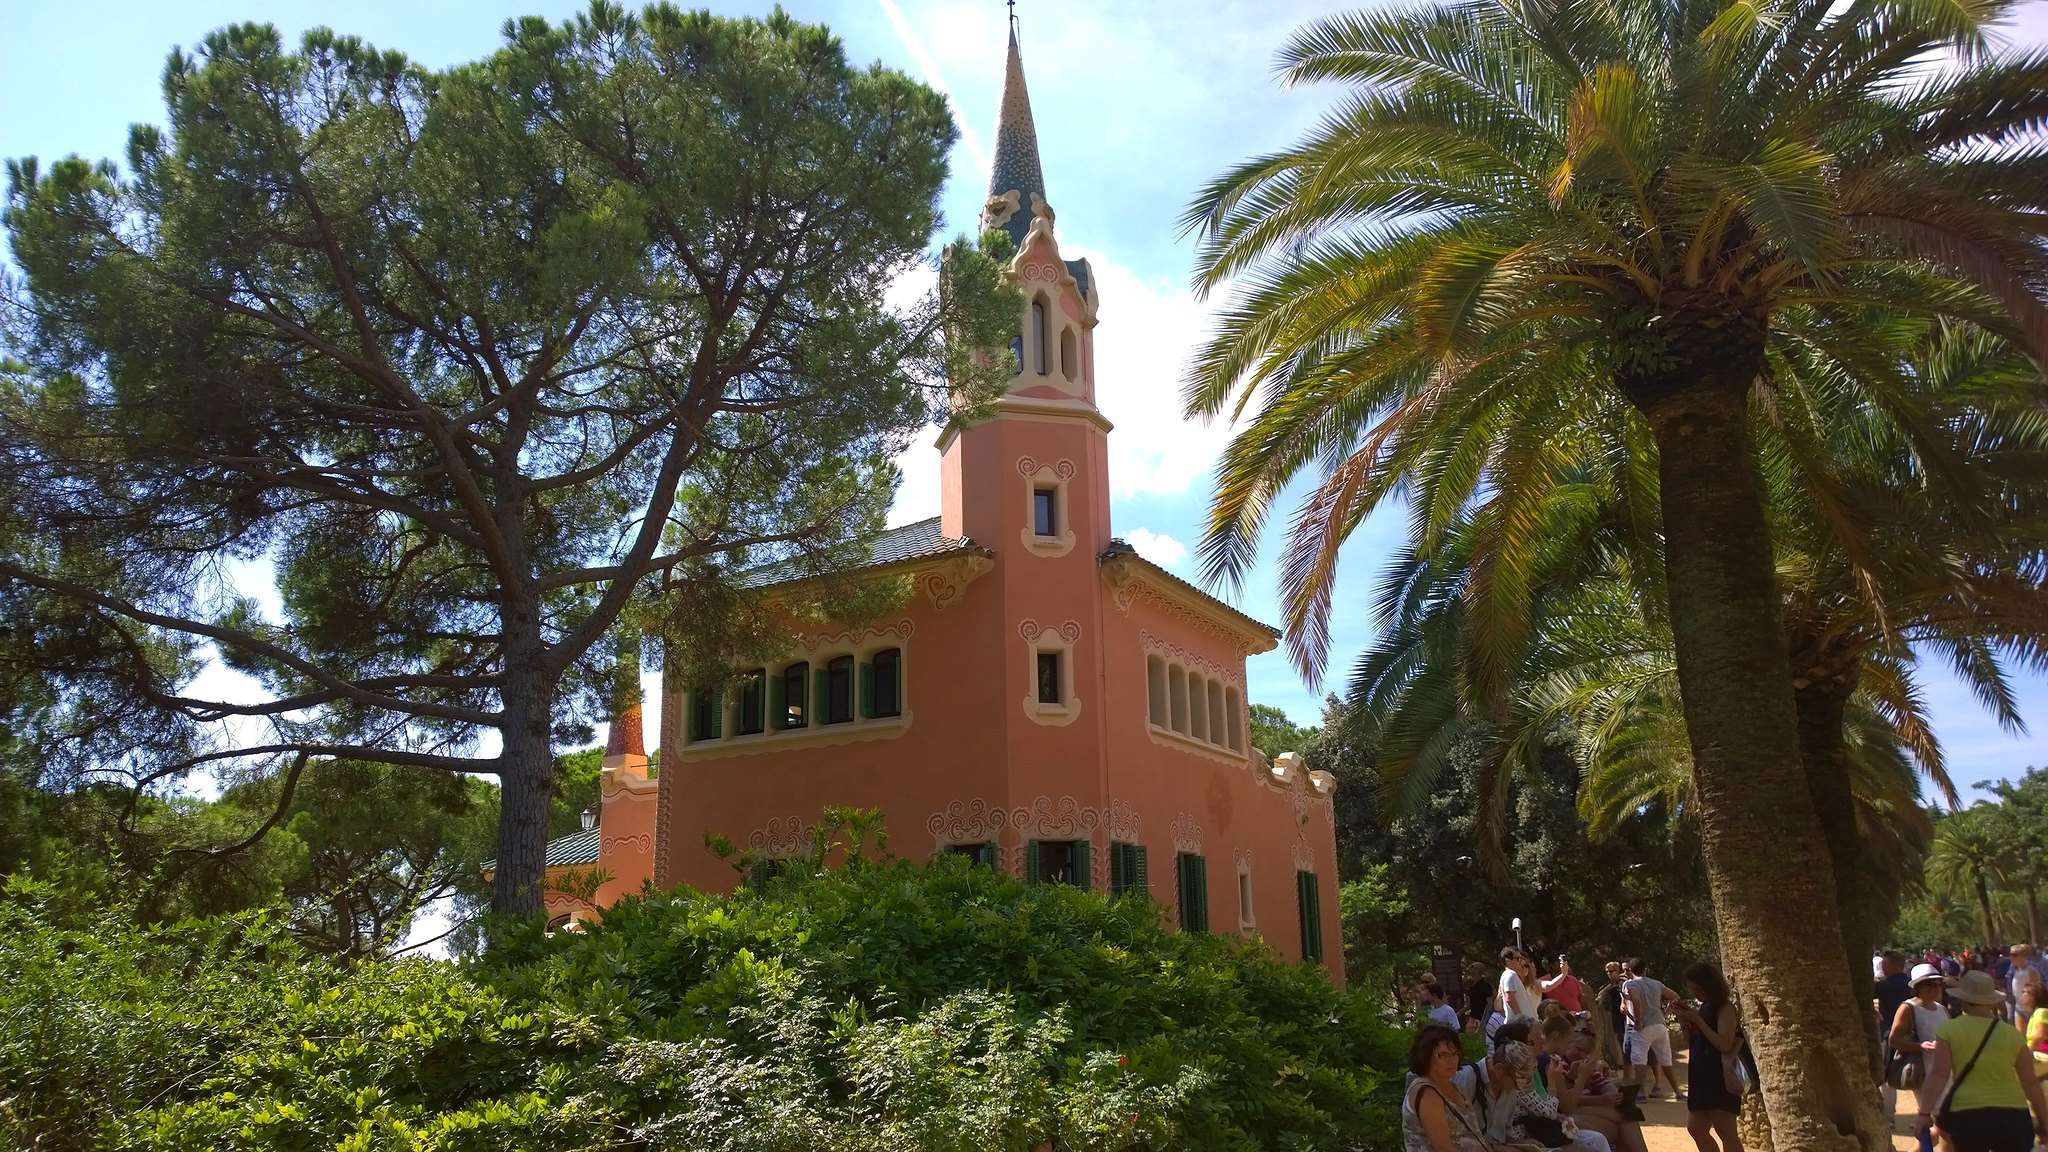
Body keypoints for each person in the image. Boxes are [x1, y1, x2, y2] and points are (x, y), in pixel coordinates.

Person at [1921, 970, 2048, 1152]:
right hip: (2013, 1114)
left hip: (1967, 1113)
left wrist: (1924, 1113)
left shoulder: (1949, 1031)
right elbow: (2030, 1083)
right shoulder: (2012, 1034)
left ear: (1962, 999)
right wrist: (2044, 1122)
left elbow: (1939, 1075)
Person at [1671, 962, 1748, 1152]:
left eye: (1697, 988)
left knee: (1726, 1132)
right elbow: (1694, 1040)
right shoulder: (1704, 1007)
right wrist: (1685, 1020)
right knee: (1696, 1129)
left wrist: (1697, 1020)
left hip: (1719, 1076)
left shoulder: (1724, 1008)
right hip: (1700, 1076)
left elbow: (1724, 1043)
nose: (1694, 992)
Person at [1542, 1014, 1648, 1152]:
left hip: (1566, 1112)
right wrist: (1581, 1078)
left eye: (1585, 1052)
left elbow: (1604, 1085)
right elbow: (1568, 1106)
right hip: (1563, 1115)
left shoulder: (1563, 1062)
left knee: (1628, 1115)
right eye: (1572, 1045)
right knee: (1623, 1120)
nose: (1580, 1054)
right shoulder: (1554, 1063)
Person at [1403, 1024, 1494, 1152]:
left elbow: (1475, 1135)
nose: (1451, 1060)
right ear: (1425, 1056)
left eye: (1454, 1054)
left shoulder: (1457, 1088)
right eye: (1443, 1055)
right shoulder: (1426, 1092)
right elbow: (1443, 1147)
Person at [1886, 963, 1952, 1137]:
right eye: (1929, 984)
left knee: (1937, 1124)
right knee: (1940, 1122)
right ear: (1917, 987)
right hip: (1924, 1072)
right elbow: (1894, 1040)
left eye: (1938, 984)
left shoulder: (1942, 1009)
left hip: (1946, 1072)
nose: (1935, 988)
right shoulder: (1908, 1008)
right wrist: (1919, 1046)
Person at [1621, 958, 1683, 1101]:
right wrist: (1665, 1012)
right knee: (1665, 1059)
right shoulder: (1656, 983)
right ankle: (1677, 1092)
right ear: (1645, 969)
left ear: (1630, 970)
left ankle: (1640, 1092)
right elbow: (1675, 997)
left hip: (1643, 1027)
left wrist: (1638, 1020)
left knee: (1639, 1060)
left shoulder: (1630, 984)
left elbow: (1635, 1000)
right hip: (1659, 1024)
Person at [1501, 947, 1543, 1031]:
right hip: (1519, 1026)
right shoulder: (1510, 975)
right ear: (1508, 961)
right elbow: (1509, 999)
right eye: (1517, 958)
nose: (1521, 961)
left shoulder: (1511, 975)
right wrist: (1521, 1018)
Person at [1876, 952, 1913, 1042]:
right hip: (1912, 1031)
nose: (1882, 967)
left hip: (1890, 1030)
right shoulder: (1912, 985)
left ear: (1892, 965)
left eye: (1884, 964)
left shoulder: (1883, 986)